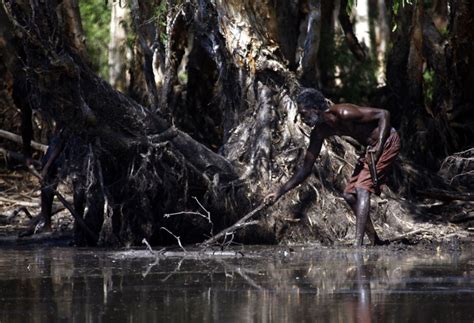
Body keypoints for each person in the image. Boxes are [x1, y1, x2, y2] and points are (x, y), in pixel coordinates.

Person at [264, 88, 400, 246]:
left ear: (315, 109)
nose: (302, 119)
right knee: (349, 194)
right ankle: (375, 241)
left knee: (362, 188)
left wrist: (380, 146)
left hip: (388, 141)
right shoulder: (320, 132)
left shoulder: (343, 112)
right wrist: (279, 192)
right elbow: (305, 169)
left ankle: (358, 245)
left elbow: (384, 114)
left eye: (303, 113)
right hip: (370, 149)